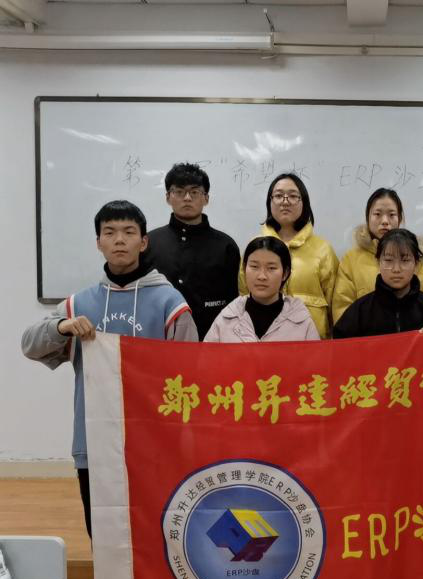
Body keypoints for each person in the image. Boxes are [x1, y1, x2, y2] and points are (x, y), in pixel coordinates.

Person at [21, 200, 198, 538]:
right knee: (103, 539)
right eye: (110, 232)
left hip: (155, 444)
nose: (119, 240)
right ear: (98, 242)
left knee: (157, 537)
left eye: (129, 232)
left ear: (143, 242)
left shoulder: (170, 304)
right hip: (94, 443)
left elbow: (190, 376)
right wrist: (61, 327)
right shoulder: (79, 304)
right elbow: (29, 345)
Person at [144, 162, 240, 340]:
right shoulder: (148, 243)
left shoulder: (226, 246)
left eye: (194, 192)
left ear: (206, 198)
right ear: (168, 197)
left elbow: (234, 304)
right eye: (179, 192)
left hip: (212, 341)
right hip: (158, 340)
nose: (187, 198)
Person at [237, 173, 338, 339]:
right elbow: (244, 296)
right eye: (278, 196)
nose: (285, 201)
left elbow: (335, 304)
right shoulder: (255, 247)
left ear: (304, 202)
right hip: (262, 340)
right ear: (270, 202)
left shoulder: (323, 249)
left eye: (293, 196)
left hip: (311, 343)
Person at [332, 188, 423, 324]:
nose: (385, 221)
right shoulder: (351, 260)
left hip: (410, 336)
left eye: (391, 215)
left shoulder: (414, 257)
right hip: (367, 336)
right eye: (377, 214)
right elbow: (342, 307)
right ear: (368, 217)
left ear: (400, 219)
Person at [333, 229, 423, 338]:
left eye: (405, 260)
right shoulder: (360, 312)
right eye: (388, 260)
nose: (396, 269)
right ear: (378, 262)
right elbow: (340, 348)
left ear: (416, 264)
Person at [207, 236, 319, 342]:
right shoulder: (227, 318)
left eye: (271, 268)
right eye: (254, 267)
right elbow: (208, 355)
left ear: (285, 273)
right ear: (244, 269)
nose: (262, 276)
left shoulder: (302, 321)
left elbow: (316, 356)